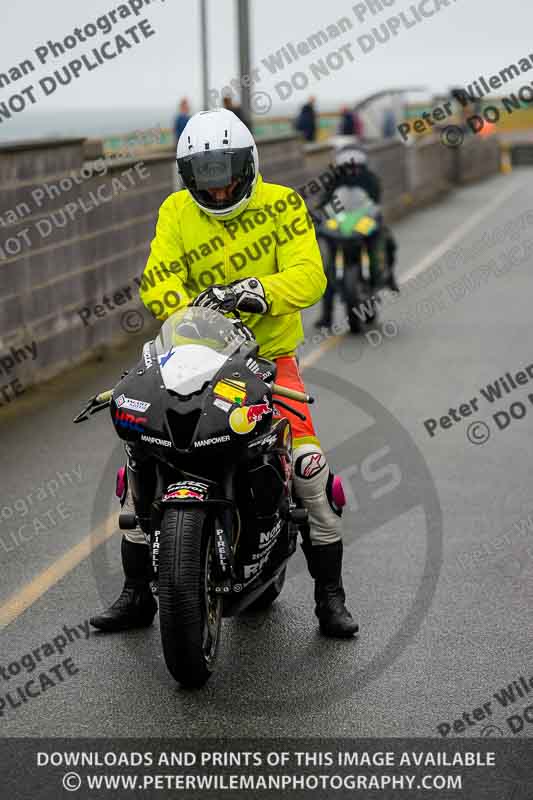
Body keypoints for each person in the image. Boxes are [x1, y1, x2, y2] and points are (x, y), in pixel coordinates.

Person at [90, 107, 358, 639]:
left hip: (268, 359)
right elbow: (158, 281)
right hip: (190, 355)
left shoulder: (282, 205)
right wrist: (197, 305)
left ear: (248, 163)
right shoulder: (175, 211)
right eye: (204, 179)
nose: (217, 191)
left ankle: (330, 597)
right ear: (187, 177)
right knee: (143, 452)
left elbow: (310, 276)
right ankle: (137, 592)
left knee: (309, 469)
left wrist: (255, 292)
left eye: (227, 175)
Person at [315, 148, 399, 329]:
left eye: (354, 167)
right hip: (339, 229)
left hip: (364, 227)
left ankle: (388, 276)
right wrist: (320, 218)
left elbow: (376, 202)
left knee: (389, 242)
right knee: (325, 267)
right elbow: (324, 204)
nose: (351, 172)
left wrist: (373, 217)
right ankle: (326, 315)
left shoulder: (371, 180)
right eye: (346, 168)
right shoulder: (332, 183)